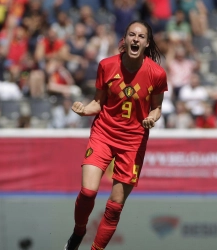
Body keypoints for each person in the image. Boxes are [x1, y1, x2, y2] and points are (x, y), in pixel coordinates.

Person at [63, 20, 167, 250]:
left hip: (133, 142)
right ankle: (79, 232)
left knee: (115, 206)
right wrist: (84, 109)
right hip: (104, 134)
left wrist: (153, 117)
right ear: (125, 39)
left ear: (147, 43)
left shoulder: (157, 74)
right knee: (88, 192)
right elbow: (98, 103)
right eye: (132, 35)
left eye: (141, 36)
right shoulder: (107, 65)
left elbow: (157, 107)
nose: (136, 39)